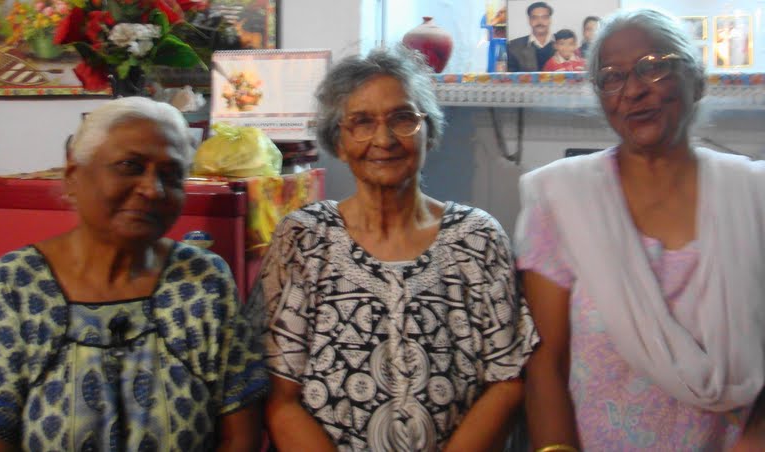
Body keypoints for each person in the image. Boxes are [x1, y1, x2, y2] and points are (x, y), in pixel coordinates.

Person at [256, 45, 538, 451]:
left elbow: (507, 381)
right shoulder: (303, 239)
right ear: (338, 141)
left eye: (403, 118)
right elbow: (279, 397)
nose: (384, 138)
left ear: (429, 131)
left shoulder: (478, 239)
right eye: (362, 122)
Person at [516, 8, 765, 451]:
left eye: (653, 67)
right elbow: (545, 363)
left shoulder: (753, 195)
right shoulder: (561, 200)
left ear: (696, 79)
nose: (632, 90)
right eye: (612, 78)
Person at [0, 97, 268, 451]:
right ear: (74, 176)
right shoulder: (15, 284)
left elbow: (239, 436)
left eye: (171, 175)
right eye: (129, 166)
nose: (152, 189)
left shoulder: (205, 280)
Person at [507, 1, 555, 72]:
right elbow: (511, 76)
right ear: (529, 20)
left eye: (544, 17)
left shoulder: (565, 43)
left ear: (550, 20)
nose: (540, 21)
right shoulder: (514, 46)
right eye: (535, 18)